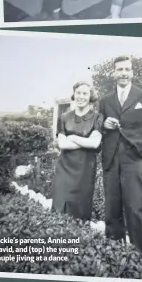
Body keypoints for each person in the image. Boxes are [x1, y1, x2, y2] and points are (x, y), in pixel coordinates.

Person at [99, 55, 142, 252]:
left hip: (134, 159)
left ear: (132, 72)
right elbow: (97, 128)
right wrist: (103, 124)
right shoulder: (105, 100)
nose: (124, 73)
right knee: (112, 209)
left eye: (127, 69)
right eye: (120, 70)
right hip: (111, 160)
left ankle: (139, 255)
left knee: (135, 208)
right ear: (114, 73)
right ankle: (115, 253)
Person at [52, 81, 103, 221]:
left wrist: (73, 137)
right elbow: (62, 144)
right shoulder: (64, 118)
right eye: (78, 93)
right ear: (74, 95)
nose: (81, 96)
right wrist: (86, 142)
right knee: (59, 208)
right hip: (64, 168)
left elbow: (95, 143)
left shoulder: (97, 118)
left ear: (90, 96)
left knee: (79, 211)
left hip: (84, 170)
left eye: (85, 93)